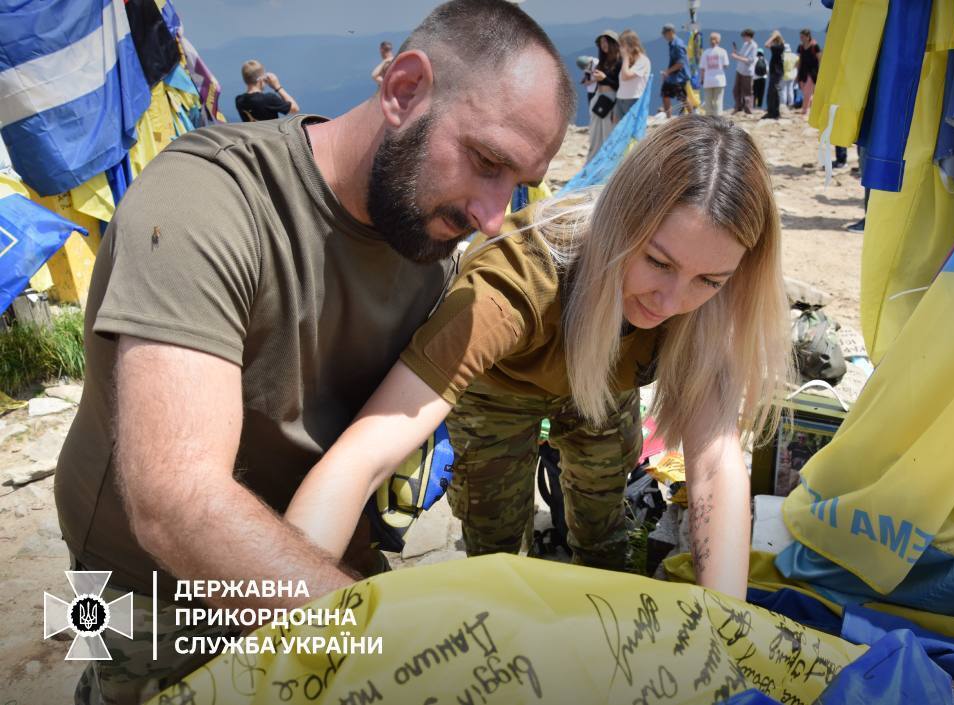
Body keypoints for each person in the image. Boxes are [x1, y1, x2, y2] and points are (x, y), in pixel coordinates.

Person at [53, 1, 575, 702]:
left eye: (518, 183)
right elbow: (175, 503)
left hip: (312, 546)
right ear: (403, 90)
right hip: (147, 585)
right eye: (485, 161)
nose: (492, 212)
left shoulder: (433, 245)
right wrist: (380, 638)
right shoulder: (207, 199)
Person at [285, 115, 793, 600]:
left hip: (605, 388)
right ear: (620, 223)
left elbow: (713, 467)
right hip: (499, 391)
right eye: (657, 262)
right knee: (496, 547)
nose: (671, 302)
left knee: (604, 522)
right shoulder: (514, 283)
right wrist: (281, 611)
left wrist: (727, 630)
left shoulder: (716, 298)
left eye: (709, 281)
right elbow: (364, 455)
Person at [585, 30, 621, 161]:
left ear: (613, 43)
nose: (603, 45)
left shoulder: (619, 61)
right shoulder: (603, 61)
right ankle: (592, 164)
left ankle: (607, 166)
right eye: (601, 42)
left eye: (606, 42)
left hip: (610, 100)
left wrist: (604, 78)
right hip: (598, 98)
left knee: (608, 134)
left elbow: (618, 85)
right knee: (595, 135)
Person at [234, 59, 299, 121]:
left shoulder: (239, 100)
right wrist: (278, 87)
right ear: (261, 80)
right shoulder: (269, 99)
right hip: (270, 132)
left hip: (251, 133)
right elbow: (295, 109)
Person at [615, 29, 650, 123]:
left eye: (622, 45)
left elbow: (626, 76)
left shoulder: (643, 60)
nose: (620, 48)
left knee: (632, 131)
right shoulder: (629, 61)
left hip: (633, 100)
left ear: (631, 45)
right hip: (621, 99)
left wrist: (625, 58)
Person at [660, 23, 690, 117]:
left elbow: (680, 63)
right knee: (665, 94)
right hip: (673, 76)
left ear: (670, 32)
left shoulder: (677, 45)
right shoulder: (672, 44)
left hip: (679, 76)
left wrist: (667, 72)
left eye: (664, 33)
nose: (664, 36)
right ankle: (668, 118)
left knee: (683, 98)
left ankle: (692, 115)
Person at [699, 31, 729, 117]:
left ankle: (709, 118)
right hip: (719, 80)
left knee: (708, 101)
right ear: (719, 40)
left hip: (708, 80)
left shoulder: (705, 52)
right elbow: (726, 65)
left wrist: (702, 79)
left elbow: (702, 68)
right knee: (718, 101)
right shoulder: (723, 51)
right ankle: (718, 118)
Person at [729, 29, 758, 115]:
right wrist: (736, 52)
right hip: (740, 70)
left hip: (747, 72)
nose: (743, 38)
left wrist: (736, 57)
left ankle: (748, 108)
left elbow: (750, 60)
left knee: (747, 91)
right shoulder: (745, 44)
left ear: (748, 36)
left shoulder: (754, 46)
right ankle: (738, 106)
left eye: (744, 36)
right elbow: (742, 55)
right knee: (736, 90)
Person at [796, 28, 821, 116]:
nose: (801, 38)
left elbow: (819, 59)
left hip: (812, 71)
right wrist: (797, 72)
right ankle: (812, 105)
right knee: (804, 91)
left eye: (802, 37)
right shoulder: (800, 47)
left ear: (808, 37)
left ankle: (804, 110)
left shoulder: (815, 46)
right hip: (803, 72)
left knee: (807, 91)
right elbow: (799, 60)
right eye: (800, 37)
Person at [763, 31, 784, 120]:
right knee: (771, 92)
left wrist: (773, 37)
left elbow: (766, 44)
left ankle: (775, 113)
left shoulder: (779, 46)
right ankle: (771, 112)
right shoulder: (778, 46)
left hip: (777, 72)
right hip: (774, 71)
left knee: (774, 92)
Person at [780, 42, 797, 108]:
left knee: (783, 90)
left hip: (783, 75)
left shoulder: (782, 56)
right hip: (792, 75)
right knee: (790, 90)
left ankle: (783, 105)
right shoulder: (794, 56)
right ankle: (791, 104)